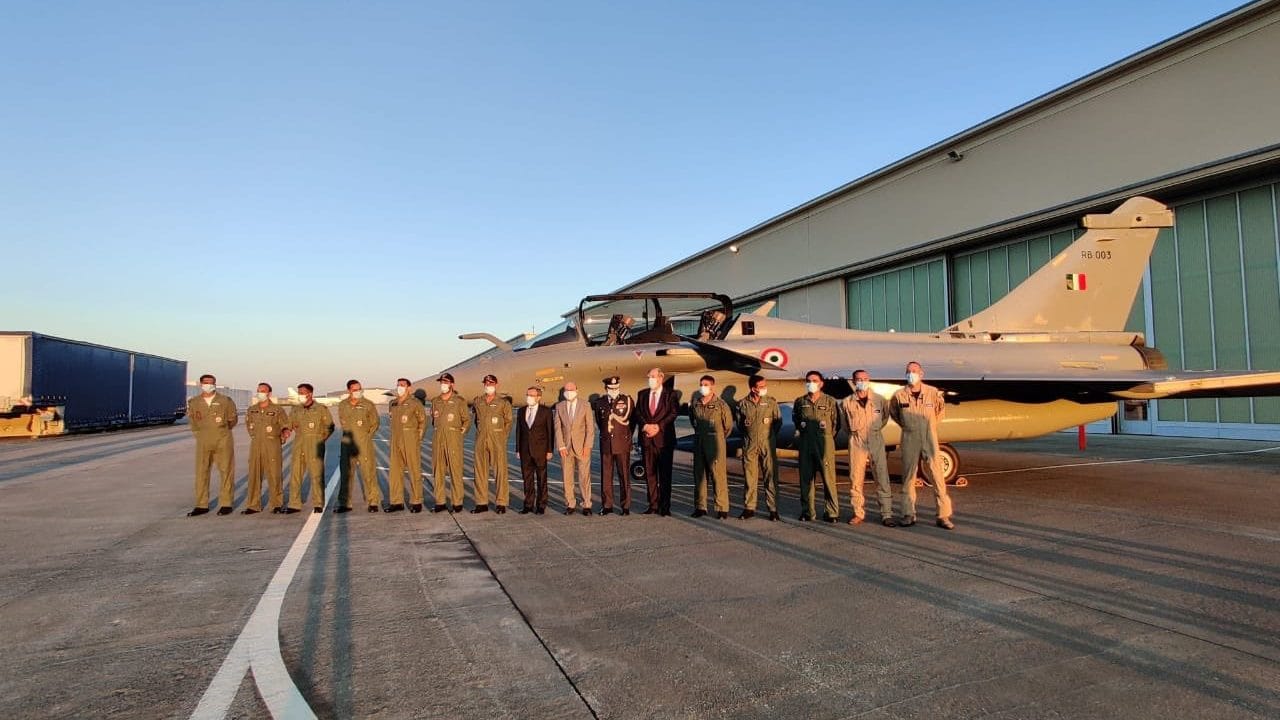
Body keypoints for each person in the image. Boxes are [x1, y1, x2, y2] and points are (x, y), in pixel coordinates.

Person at [888, 361, 955, 530]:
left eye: (914, 371)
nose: (911, 374)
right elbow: (895, 413)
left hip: (929, 437)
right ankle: (908, 514)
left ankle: (943, 515)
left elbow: (940, 411)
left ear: (921, 374)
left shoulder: (932, 392)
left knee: (937, 475)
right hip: (909, 436)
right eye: (908, 371)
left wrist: (929, 426)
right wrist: (909, 426)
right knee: (908, 476)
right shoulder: (899, 395)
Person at [840, 369, 894, 526]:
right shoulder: (847, 402)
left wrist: (873, 430)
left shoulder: (879, 400)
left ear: (868, 380)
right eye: (858, 379)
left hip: (875, 439)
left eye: (864, 379)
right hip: (857, 441)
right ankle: (858, 513)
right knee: (856, 478)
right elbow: (844, 425)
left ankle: (887, 514)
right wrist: (857, 433)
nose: (862, 381)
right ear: (853, 381)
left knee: (882, 477)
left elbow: (884, 419)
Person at [186, 373, 238, 516]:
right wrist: (201, 435)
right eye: (206, 382)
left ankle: (226, 503)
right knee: (201, 472)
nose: (208, 385)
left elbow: (232, 420)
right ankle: (201, 504)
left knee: (226, 471)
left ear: (215, 384)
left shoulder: (225, 401)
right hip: (203, 440)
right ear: (201, 384)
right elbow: (193, 423)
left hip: (222, 439)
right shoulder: (194, 402)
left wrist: (221, 431)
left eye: (211, 382)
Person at [793, 371, 839, 522]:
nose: (811, 383)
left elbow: (836, 424)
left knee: (828, 479)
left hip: (824, 443)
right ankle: (808, 512)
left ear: (821, 383)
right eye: (808, 380)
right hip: (806, 443)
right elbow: (797, 420)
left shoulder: (830, 401)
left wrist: (825, 437)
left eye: (814, 380)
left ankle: (831, 512)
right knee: (806, 479)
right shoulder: (800, 402)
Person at [634, 367, 678, 515]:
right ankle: (653, 505)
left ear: (661, 377)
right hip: (647, 439)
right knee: (650, 474)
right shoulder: (642, 394)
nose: (650, 379)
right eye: (649, 377)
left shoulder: (670, 394)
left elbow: (673, 413)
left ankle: (665, 507)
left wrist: (658, 426)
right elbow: (638, 413)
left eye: (653, 376)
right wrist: (645, 426)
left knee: (665, 475)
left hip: (664, 440)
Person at [737, 374, 781, 521]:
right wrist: (750, 437)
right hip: (750, 445)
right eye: (761, 386)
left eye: (764, 386)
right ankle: (749, 508)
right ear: (753, 389)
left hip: (767, 444)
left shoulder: (771, 402)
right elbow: (740, 424)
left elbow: (778, 422)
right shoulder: (743, 404)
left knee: (770, 476)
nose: (764, 388)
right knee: (750, 477)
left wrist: (769, 437)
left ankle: (773, 509)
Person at [284, 383, 333, 513]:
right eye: (299, 393)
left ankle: (318, 503)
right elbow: (288, 424)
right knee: (295, 474)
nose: (300, 395)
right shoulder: (296, 409)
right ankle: (294, 504)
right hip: (299, 443)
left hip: (315, 444)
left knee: (316, 474)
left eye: (302, 393)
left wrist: (321, 439)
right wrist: (286, 430)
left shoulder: (321, 409)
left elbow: (330, 426)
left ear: (310, 394)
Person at [689, 375, 734, 519]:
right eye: (701, 384)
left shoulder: (721, 405)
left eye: (706, 384)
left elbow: (728, 426)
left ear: (712, 386)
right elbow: (693, 421)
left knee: (718, 476)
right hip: (699, 443)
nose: (703, 387)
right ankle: (700, 507)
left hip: (715, 444)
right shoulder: (696, 404)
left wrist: (717, 437)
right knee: (699, 476)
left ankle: (722, 508)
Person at [243, 383, 290, 514]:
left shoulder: (277, 409)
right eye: (258, 391)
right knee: (254, 475)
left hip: (272, 445)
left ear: (269, 393)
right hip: (256, 445)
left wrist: (282, 436)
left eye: (263, 391)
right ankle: (253, 505)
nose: (260, 393)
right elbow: (249, 425)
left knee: (274, 474)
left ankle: (276, 504)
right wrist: (255, 436)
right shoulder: (252, 409)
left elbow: (285, 425)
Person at [337, 379, 381, 513]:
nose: (358, 391)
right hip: (347, 442)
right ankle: (345, 503)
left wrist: (366, 436)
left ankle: (373, 501)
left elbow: (375, 423)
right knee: (346, 473)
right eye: (355, 390)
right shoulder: (343, 405)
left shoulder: (368, 404)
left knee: (368, 472)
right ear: (349, 390)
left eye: (359, 389)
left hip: (363, 442)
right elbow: (343, 421)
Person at [472, 374, 513, 514]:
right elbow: (476, 420)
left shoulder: (503, 402)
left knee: (500, 471)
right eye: (486, 383)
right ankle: (481, 503)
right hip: (481, 439)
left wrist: (502, 437)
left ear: (496, 384)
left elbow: (508, 422)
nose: (488, 385)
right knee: (480, 471)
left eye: (491, 383)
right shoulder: (478, 401)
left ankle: (501, 502)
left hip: (497, 440)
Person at [592, 376, 633, 515]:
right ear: (606, 388)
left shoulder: (627, 400)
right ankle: (607, 505)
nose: (614, 390)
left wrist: (626, 437)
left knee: (624, 476)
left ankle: (625, 506)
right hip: (606, 444)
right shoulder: (600, 402)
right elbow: (600, 422)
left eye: (616, 388)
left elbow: (631, 421)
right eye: (611, 388)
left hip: (622, 444)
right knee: (606, 477)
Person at [431, 372, 472, 513]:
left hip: (453, 439)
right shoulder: (435, 401)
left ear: (452, 384)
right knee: (438, 471)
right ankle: (440, 502)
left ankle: (457, 502)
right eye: (441, 382)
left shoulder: (459, 401)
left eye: (446, 382)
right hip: (438, 439)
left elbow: (466, 420)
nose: (443, 384)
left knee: (455, 471)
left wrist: (458, 435)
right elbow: (434, 420)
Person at [555, 381, 596, 515]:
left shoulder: (585, 405)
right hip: (566, 448)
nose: (569, 392)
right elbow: (557, 428)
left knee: (584, 477)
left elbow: (590, 427)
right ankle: (570, 504)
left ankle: (587, 504)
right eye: (566, 390)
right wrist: (561, 445)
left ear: (577, 390)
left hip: (582, 447)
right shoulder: (559, 406)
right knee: (567, 478)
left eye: (571, 389)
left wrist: (588, 445)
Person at [387, 377, 427, 513]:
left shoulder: (415, 403)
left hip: (410, 440)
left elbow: (422, 422)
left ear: (409, 388)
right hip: (395, 440)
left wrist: (417, 439)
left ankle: (416, 501)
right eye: (398, 385)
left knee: (414, 470)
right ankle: (396, 501)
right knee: (395, 472)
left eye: (402, 385)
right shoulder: (393, 403)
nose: (400, 387)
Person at [516, 386, 554, 514]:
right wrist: (518, 449)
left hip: (540, 450)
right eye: (527, 395)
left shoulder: (546, 411)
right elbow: (519, 431)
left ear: (538, 397)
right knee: (527, 479)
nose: (529, 397)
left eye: (531, 395)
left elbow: (550, 431)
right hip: (525, 450)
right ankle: (528, 504)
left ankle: (541, 505)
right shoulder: (521, 411)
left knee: (541, 478)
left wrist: (549, 450)